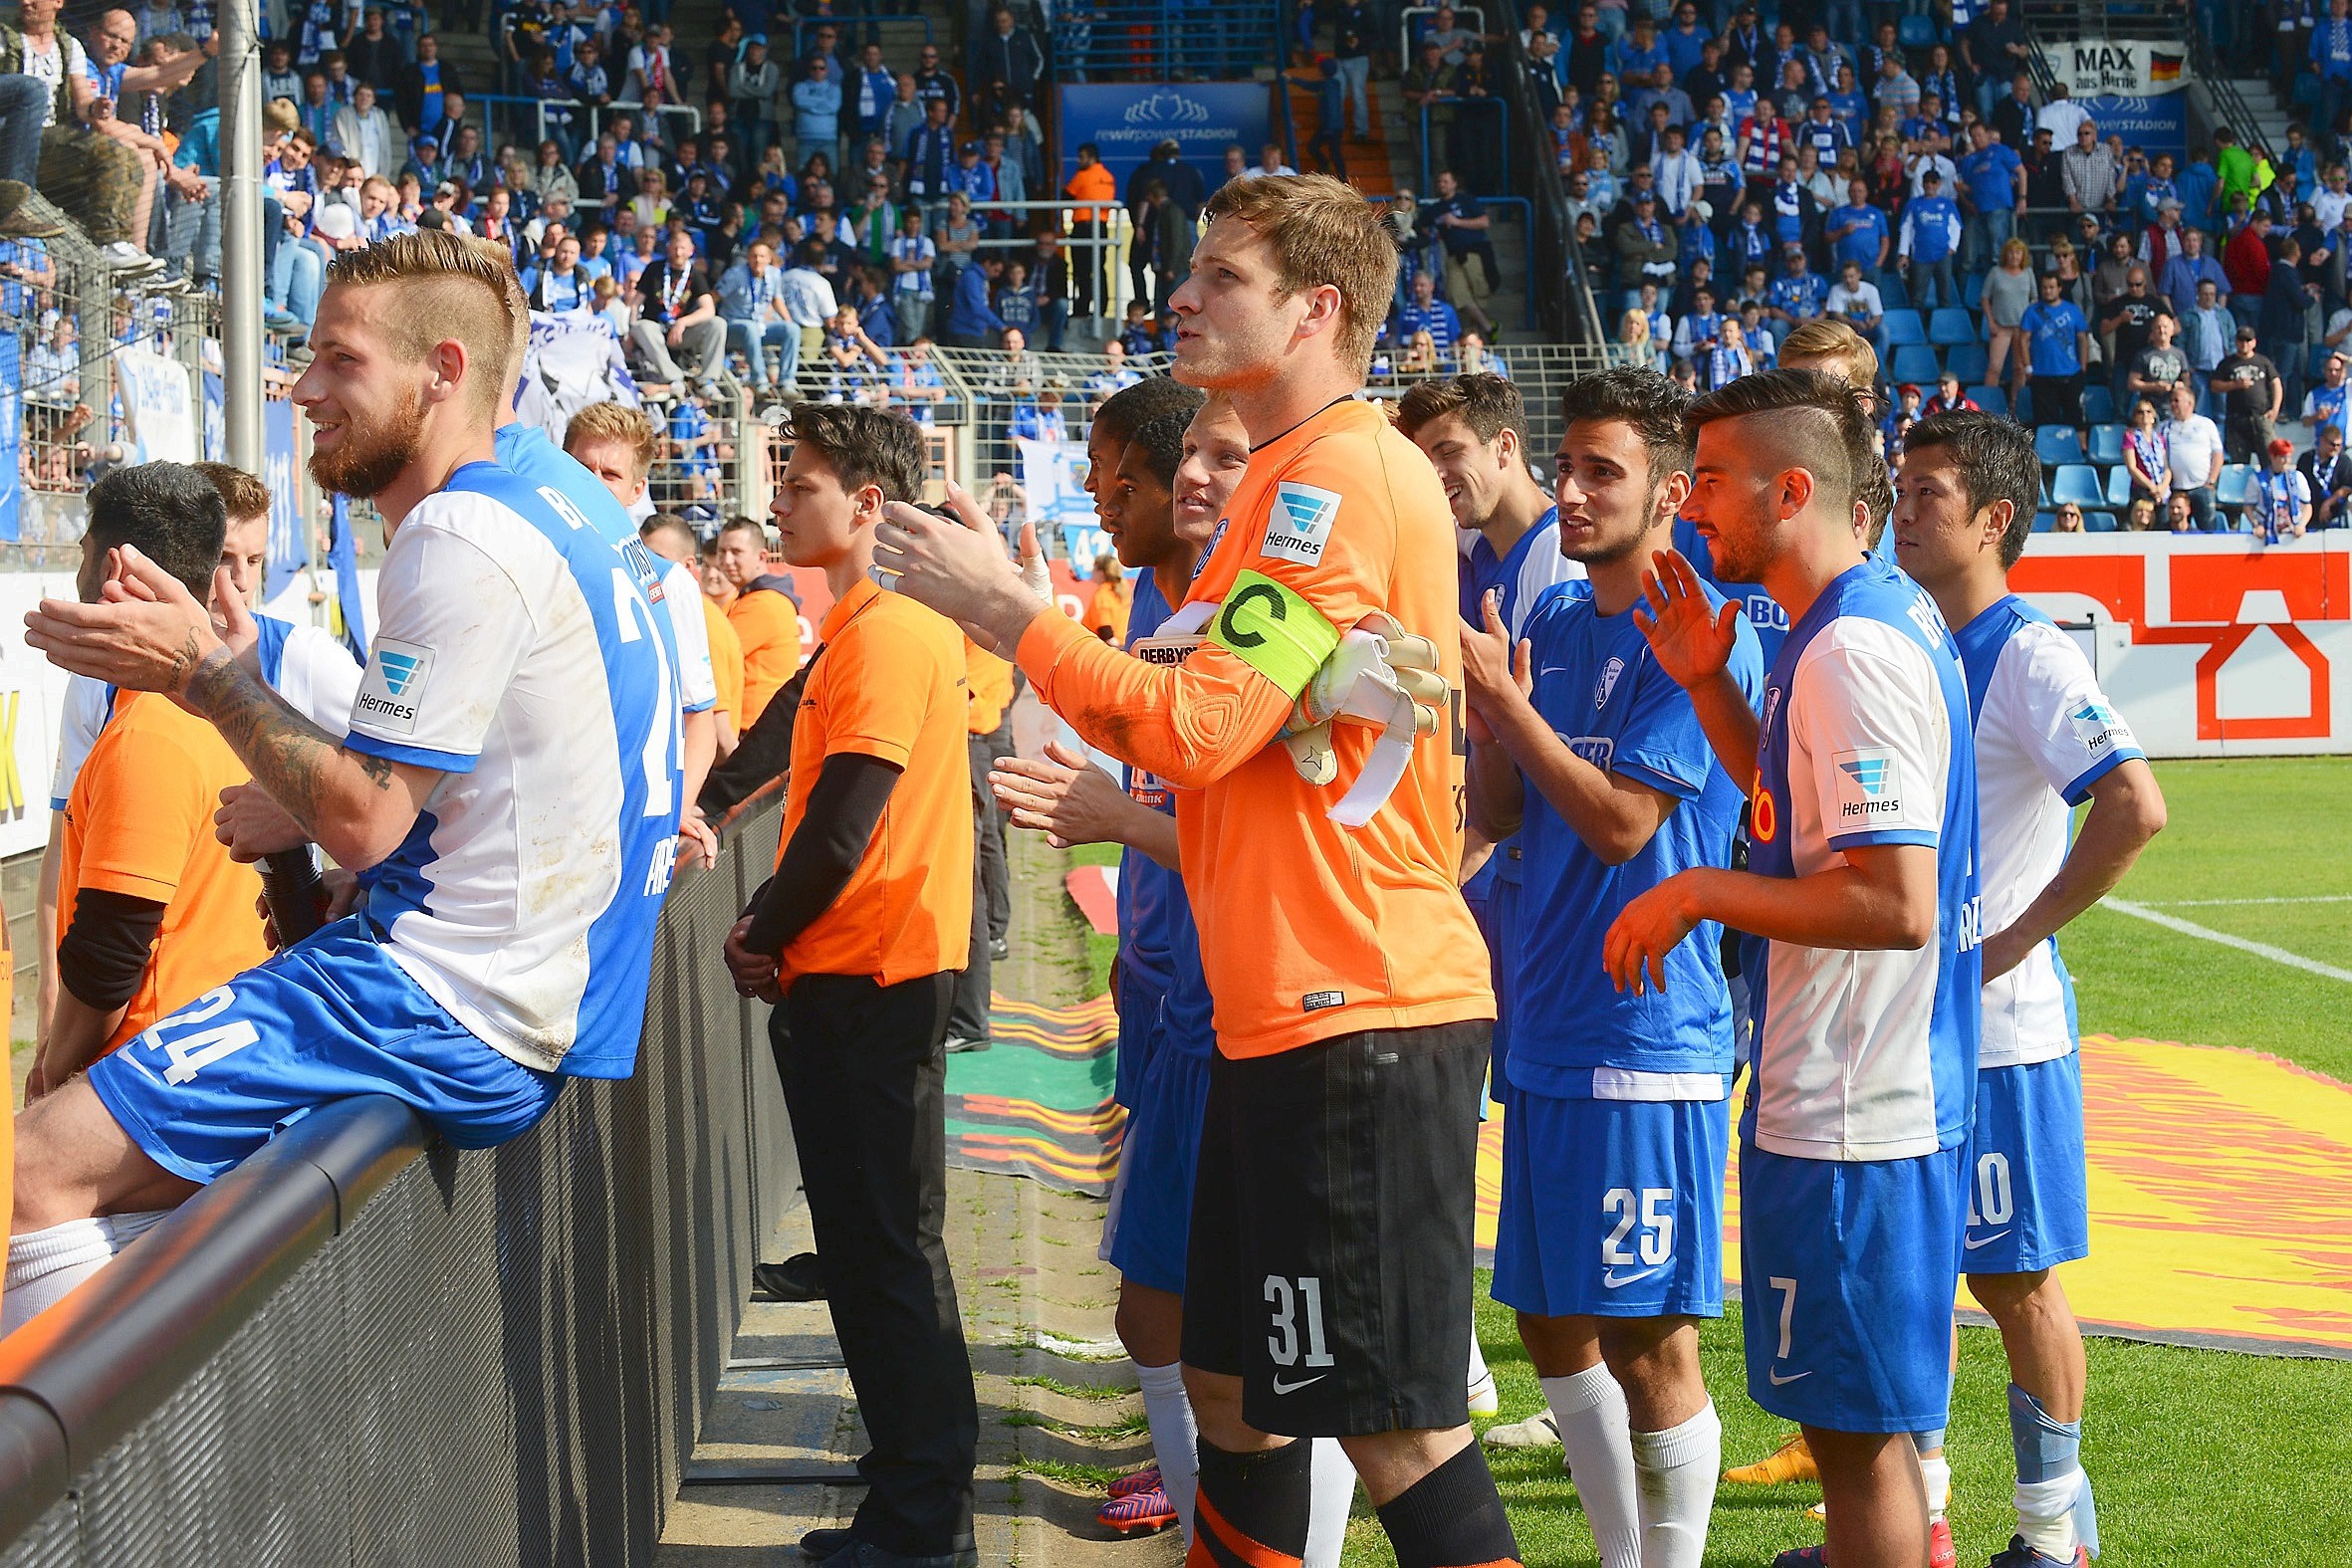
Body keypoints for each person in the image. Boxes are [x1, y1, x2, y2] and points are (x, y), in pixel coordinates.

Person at [871, 173, 1519, 1568]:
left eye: (1220, 275)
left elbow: (1198, 727)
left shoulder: (1339, 475)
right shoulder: (1298, 476)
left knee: (1396, 1425)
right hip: (1280, 1005)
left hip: (1357, 1007)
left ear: (1314, 311)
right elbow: (1229, 707)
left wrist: (1009, 612)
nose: (1179, 294)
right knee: (1234, 1396)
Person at [12, 231, 680, 1331]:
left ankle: (82, 1491)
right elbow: (528, 773)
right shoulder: (561, 493)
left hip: (452, 1001)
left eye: (340, 360)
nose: (302, 388)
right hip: (536, 995)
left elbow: (368, 821)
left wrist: (206, 677)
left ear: (445, 370)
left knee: (34, 1170)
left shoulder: (462, 530)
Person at [1611, 369, 1979, 1568]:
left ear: (1791, 489)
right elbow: (1795, 816)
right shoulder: (1853, 621)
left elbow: (1892, 900)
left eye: (1709, 480)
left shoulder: (1852, 648)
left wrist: (1694, 889)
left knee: (1858, 1439)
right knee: (1849, 1434)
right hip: (1848, 1095)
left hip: (1852, 1113)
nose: (1690, 504)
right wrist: (1710, 684)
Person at [1459, 366, 1761, 1568]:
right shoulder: (1550, 621)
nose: (1572, 495)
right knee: (1546, 1321)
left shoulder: (1695, 636)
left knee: (1648, 1345)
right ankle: (1620, 1550)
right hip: (1543, 1017)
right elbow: (1508, 811)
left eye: (1603, 473)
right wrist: (1487, 716)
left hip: (1646, 1035)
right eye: (1568, 467)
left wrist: (1514, 714)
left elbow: (1625, 825)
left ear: (1672, 492)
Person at [1891, 410, 2166, 1568]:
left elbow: (2134, 806)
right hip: (1905, 1027)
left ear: (1995, 519)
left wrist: (2013, 937)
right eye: (1898, 488)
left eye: (1929, 494)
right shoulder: (1899, 633)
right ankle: (1922, 1527)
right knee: (1908, 1275)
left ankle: (2055, 1536)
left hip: (1999, 1034)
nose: (1902, 509)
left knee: (2012, 1282)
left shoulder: (2032, 651)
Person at [719, 404, 979, 1568]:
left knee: (888, 1264)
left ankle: (922, 1526)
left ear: (870, 504)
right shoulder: (868, 625)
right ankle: (909, 1509)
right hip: (864, 972)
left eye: (806, 483)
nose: (783, 501)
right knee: (881, 1260)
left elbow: (840, 828)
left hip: (868, 974)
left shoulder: (885, 632)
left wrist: (760, 932)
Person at [36, 461, 362, 1058]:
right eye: (228, 560)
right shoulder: (226, 702)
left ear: (112, 567)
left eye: (85, 553)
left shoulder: (156, 727)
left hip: (157, 1068)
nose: (237, 582)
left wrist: (54, 1074)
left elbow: (110, 958)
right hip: (230, 1044)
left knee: (25, 1154)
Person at [558, 399, 725, 827]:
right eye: (582, 468)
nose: (592, 484)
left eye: (610, 474)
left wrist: (675, 816)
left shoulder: (671, 584)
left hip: (628, 825)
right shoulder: (535, 561)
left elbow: (698, 718)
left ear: (637, 490)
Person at [712, 513, 803, 725]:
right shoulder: (746, 597)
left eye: (736, 552)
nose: (726, 560)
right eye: (721, 551)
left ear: (761, 557)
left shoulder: (764, 603)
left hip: (756, 728)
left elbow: (711, 654)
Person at [2021, 272, 2089, 436]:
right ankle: (2046, 455)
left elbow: (2082, 338)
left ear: (2059, 288)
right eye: (2044, 288)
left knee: (2077, 418)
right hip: (2042, 374)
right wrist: (2028, 367)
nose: (2048, 291)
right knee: (2044, 422)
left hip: (2071, 373)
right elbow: (2023, 340)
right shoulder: (2032, 312)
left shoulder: (2072, 310)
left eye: (2051, 287)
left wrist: (2083, 365)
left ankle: (2082, 452)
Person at [2212, 324, 2283, 464]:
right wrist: (2234, 385)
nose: (2244, 344)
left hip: (2261, 417)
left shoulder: (2263, 362)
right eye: (2241, 340)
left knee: (2270, 459)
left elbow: (2276, 384)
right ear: (2236, 342)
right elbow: (2214, 385)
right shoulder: (2227, 363)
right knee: (2239, 463)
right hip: (2236, 419)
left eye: (2248, 340)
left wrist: (2275, 409)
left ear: (2254, 342)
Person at [2250, 436, 2314, 542]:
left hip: (2293, 531)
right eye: (2282, 457)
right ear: (2272, 457)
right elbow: (2248, 507)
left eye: (2288, 457)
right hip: (2267, 530)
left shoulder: (2298, 477)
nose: (2286, 461)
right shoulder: (2257, 479)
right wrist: (2256, 525)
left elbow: (2307, 506)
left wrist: (2302, 524)